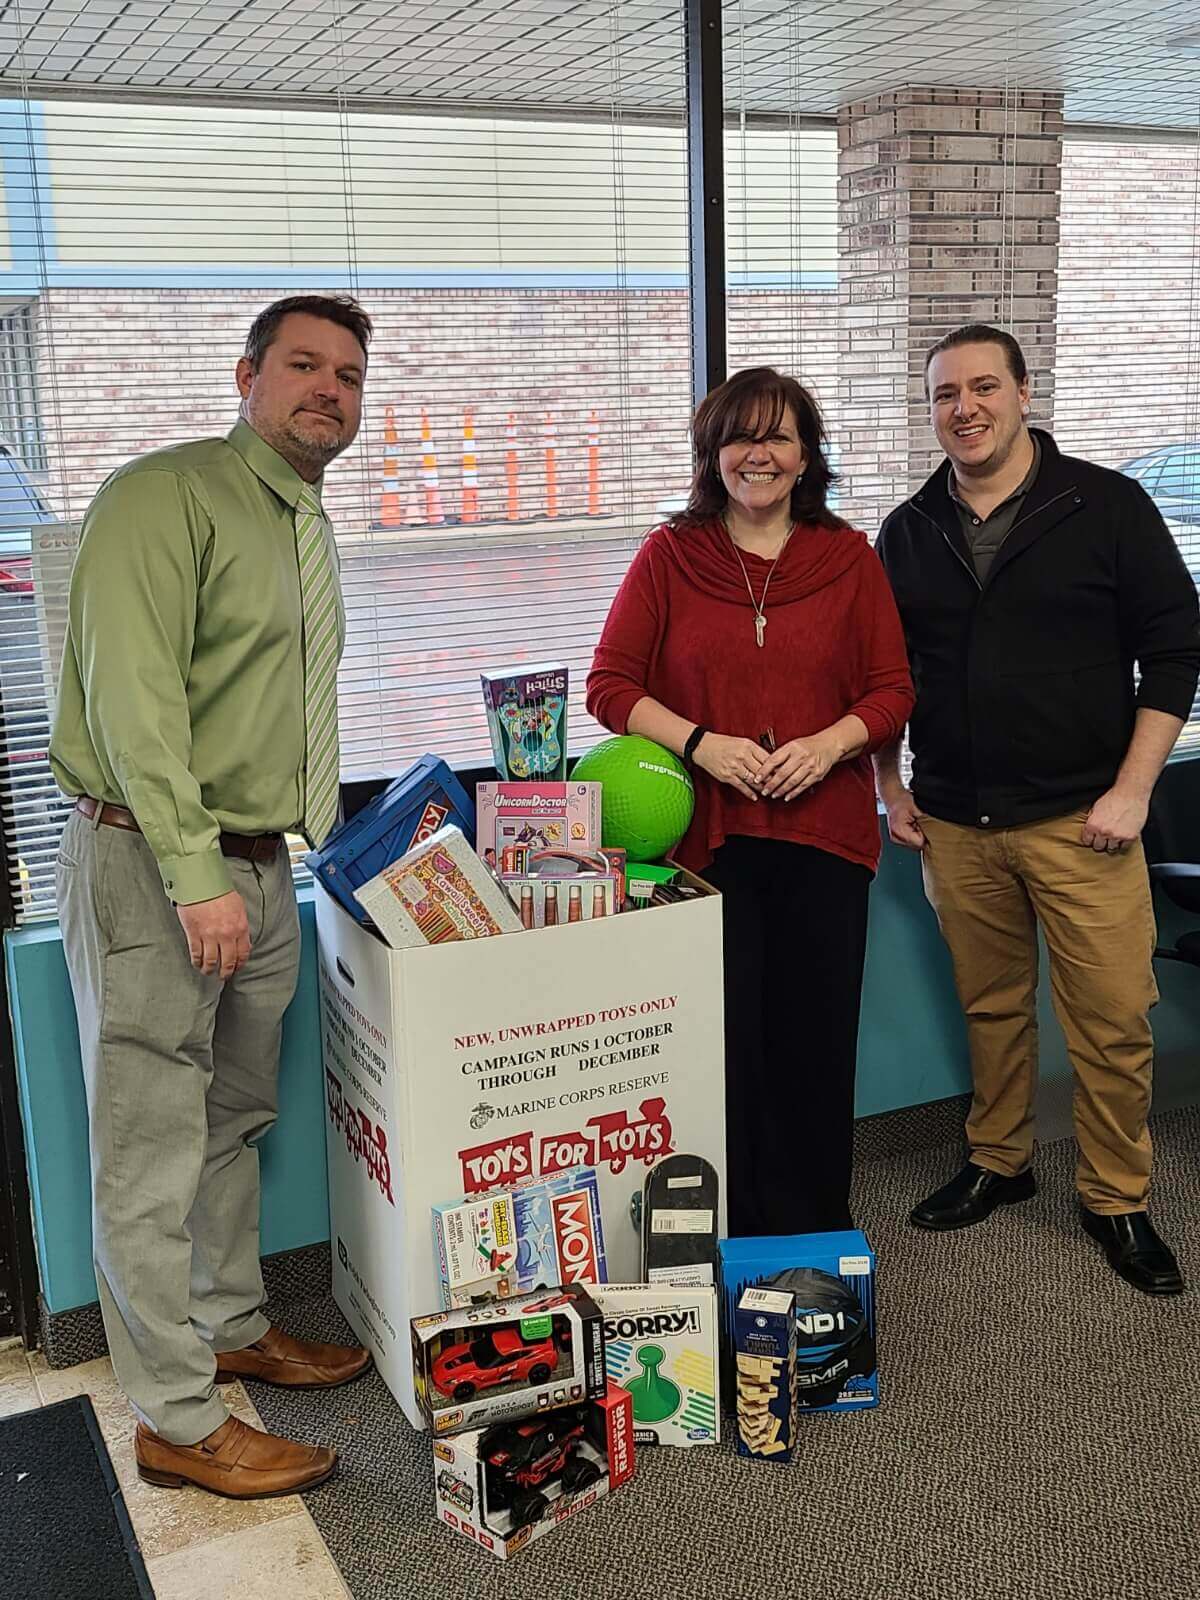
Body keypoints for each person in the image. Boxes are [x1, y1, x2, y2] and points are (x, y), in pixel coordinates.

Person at [49, 294, 375, 1498]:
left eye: (348, 374)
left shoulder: (300, 518)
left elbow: (282, 713)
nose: (327, 390)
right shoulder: (163, 495)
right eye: (303, 365)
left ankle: (230, 1322)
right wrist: (197, 878)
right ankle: (177, 1420)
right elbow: (134, 705)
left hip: (259, 863)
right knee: (144, 1151)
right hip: (156, 864)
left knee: (233, 1119)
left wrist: (327, 856)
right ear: (247, 374)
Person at [873, 323, 1200, 1297]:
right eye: (944, 394)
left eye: (982, 387)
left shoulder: (1105, 506)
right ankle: (1000, 1160)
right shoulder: (909, 527)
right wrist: (891, 786)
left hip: (1082, 820)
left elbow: (1177, 652)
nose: (963, 407)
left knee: (1109, 1017)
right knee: (993, 1006)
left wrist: (1134, 789)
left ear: (1022, 392)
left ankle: (1115, 1198)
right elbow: (886, 677)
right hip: (957, 820)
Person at [586, 367, 914, 1237]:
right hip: (710, 846)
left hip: (825, 844)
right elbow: (609, 687)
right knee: (721, 1051)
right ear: (713, 454)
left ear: (806, 455)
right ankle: (727, 1250)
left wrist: (828, 745)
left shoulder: (848, 559)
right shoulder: (670, 556)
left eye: (777, 436)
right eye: (740, 437)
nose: (757, 454)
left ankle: (812, 1240)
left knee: (812, 1050)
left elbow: (891, 690)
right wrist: (703, 746)